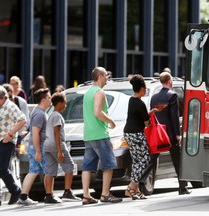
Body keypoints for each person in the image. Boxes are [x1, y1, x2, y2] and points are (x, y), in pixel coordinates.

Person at [82, 66, 122, 205]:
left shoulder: (87, 92)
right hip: (100, 133)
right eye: (106, 75)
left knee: (87, 166)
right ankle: (105, 194)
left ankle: (86, 196)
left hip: (88, 134)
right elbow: (98, 113)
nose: (107, 78)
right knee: (109, 164)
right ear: (100, 76)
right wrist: (111, 122)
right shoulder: (99, 92)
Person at [148, 71, 191, 195]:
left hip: (158, 132)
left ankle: (140, 183)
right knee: (177, 160)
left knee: (152, 159)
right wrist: (177, 134)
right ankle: (182, 187)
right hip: (170, 134)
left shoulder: (154, 97)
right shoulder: (173, 95)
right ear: (170, 81)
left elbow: (154, 115)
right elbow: (174, 116)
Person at [123, 74, 159, 200]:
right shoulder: (140, 103)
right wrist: (150, 117)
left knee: (136, 161)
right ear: (142, 88)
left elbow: (139, 116)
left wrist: (150, 113)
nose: (146, 91)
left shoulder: (131, 100)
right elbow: (147, 123)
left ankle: (136, 190)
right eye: (145, 89)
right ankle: (130, 187)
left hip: (128, 133)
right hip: (137, 134)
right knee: (145, 160)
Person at [0, 85, 26, 207]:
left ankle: (15, 190)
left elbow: (22, 120)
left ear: (3, 98)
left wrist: (10, 134)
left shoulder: (11, 107)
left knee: (1, 168)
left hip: (5, 142)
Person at [44, 92, 81, 203]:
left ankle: (49, 195)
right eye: (64, 103)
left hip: (48, 145)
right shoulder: (57, 116)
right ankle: (67, 192)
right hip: (57, 144)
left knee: (50, 170)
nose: (65, 105)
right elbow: (57, 133)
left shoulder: (51, 115)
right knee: (69, 167)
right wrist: (60, 151)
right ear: (59, 103)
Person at [17, 88, 52, 205]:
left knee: (33, 171)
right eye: (49, 97)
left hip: (35, 146)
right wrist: (38, 151)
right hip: (39, 146)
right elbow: (35, 133)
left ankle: (23, 197)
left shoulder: (40, 112)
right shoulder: (39, 114)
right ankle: (49, 195)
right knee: (49, 170)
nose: (50, 99)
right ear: (43, 100)